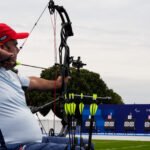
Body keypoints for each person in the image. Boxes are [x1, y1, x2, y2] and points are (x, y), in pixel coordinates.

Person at [0, 23, 69, 150]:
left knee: (84, 144)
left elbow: (35, 82)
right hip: (15, 146)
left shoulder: (12, 76)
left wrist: (58, 84)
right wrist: (8, 56)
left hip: (35, 140)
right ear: (2, 47)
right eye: (15, 44)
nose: (18, 49)